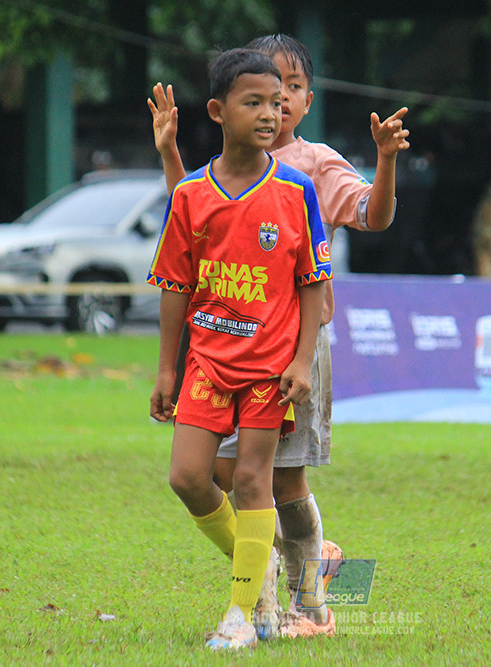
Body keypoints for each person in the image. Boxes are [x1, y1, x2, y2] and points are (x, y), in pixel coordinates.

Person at [148, 33, 409, 640]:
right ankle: (285, 578)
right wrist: (169, 154)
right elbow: (195, 231)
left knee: (276, 478)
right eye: (266, 91)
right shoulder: (222, 167)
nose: (277, 104)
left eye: (290, 89)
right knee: (212, 471)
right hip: (219, 343)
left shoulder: (312, 168)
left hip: (291, 348)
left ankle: (306, 604)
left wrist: (386, 162)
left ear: (307, 99)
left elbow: (373, 216)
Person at [147, 47, 332, 651]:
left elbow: (313, 285)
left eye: (277, 104)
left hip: (268, 370)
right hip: (206, 362)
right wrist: (167, 369)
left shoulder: (298, 190)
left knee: (254, 480)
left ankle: (239, 614)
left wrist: (302, 361)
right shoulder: (191, 195)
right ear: (218, 111)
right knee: (188, 477)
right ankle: (260, 565)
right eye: (254, 102)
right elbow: (175, 287)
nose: (270, 115)